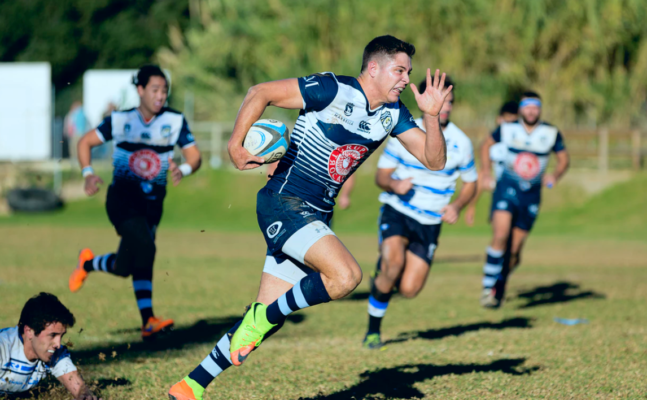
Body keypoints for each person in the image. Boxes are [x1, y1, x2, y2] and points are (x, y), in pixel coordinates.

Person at [168, 35, 452, 400]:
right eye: (399, 71)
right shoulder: (332, 89)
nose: (405, 79)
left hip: (315, 215)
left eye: (408, 72)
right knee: (346, 275)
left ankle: (191, 385)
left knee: (259, 327)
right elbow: (260, 92)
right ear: (373, 68)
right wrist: (235, 146)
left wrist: (431, 116)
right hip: (284, 202)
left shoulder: (392, 114)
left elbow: (435, 161)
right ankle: (263, 317)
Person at [68, 65, 202, 340]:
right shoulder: (120, 120)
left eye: (164, 90)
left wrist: (184, 169)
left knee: (125, 266)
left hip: (153, 205)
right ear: (140, 90)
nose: (161, 95)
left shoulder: (175, 121)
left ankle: (88, 264)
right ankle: (148, 321)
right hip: (122, 200)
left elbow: (194, 157)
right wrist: (88, 174)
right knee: (146, 247)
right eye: (155, 89)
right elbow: (84, 142)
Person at [361, 76, 477, 349]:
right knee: (392, 265)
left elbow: (472, 183)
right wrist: (394, 184)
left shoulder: (461, 142)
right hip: (398, 211)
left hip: (430, 221)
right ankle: (373, 331)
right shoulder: (405, 133)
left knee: (410, 289)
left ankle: (385, 278)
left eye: (449, 101)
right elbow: (381, 175)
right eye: (440, 100)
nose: (444, 106)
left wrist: (457, 206)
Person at [479, 92, 569, 308]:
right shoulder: (508, 129)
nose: (531, 111)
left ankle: (499, 284)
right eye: (527, 107)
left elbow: (564, 159)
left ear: (540, 109)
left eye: (535, 107)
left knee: (515, 251)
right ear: (521, 109)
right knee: (500, 236)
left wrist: (554, 175)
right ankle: (487, 287)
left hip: (531, 195)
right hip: (506, 189)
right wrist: (486, 172)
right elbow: (485, 146)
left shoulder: (550, 132)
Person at [0, 293, 100, 399]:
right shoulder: (3, 347)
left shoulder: (55, 353)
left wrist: (86, 397)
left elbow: (79, 389)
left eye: (61, 336)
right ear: (29, 331)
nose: (57, 344)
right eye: (52, 335)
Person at [464, 101, 518, 226]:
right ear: (500, 119)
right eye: (507, 119)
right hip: (501, 193)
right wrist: (472, 206)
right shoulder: (495, 149)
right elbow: (482, 176)